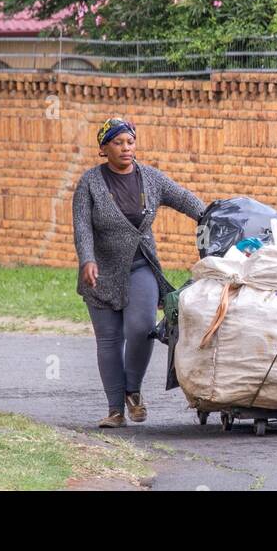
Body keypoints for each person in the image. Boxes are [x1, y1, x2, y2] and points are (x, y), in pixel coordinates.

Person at [72, 117, 205, 428]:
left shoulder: (150, 179)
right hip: (101, 272)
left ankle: (133, 389)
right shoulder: (90, 183)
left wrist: (210, 215)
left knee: (142, 328)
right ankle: (115, 410)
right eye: (118, 143)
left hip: (141, 265)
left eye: (130, 141)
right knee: (108, 339)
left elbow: (183, 198)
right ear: (104, 149)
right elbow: (82, 227)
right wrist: (87, 260)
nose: (126, 148)